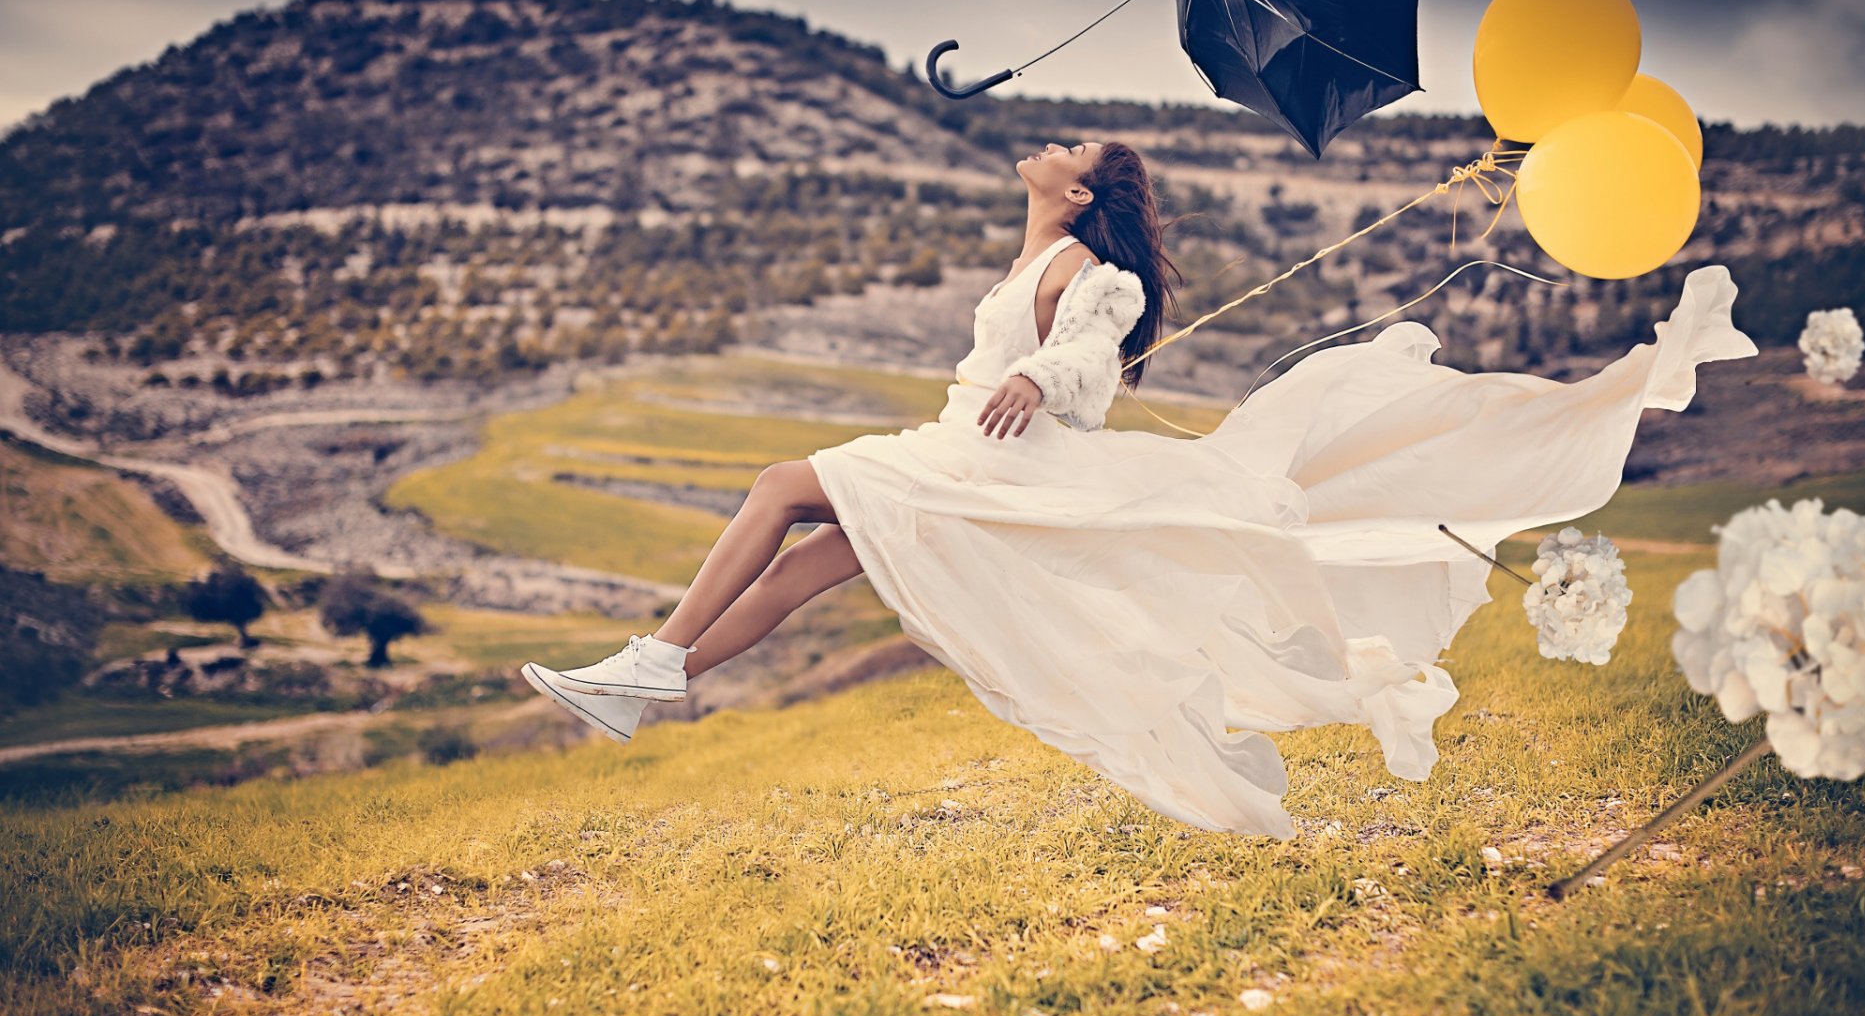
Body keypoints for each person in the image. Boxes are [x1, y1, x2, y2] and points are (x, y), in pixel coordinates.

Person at [522, 140, 1757, 839]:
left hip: (992, 458)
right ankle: (652, 683)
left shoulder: (1088, 269)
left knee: (782, 485)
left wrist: (1044, 379)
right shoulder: (1036, 250)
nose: (1050, 145)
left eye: (1070, 150)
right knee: (806, 561)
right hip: (959, 446)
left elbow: (1094, 345)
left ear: (1076, 195)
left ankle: (653, 661)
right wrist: (1021, 374)